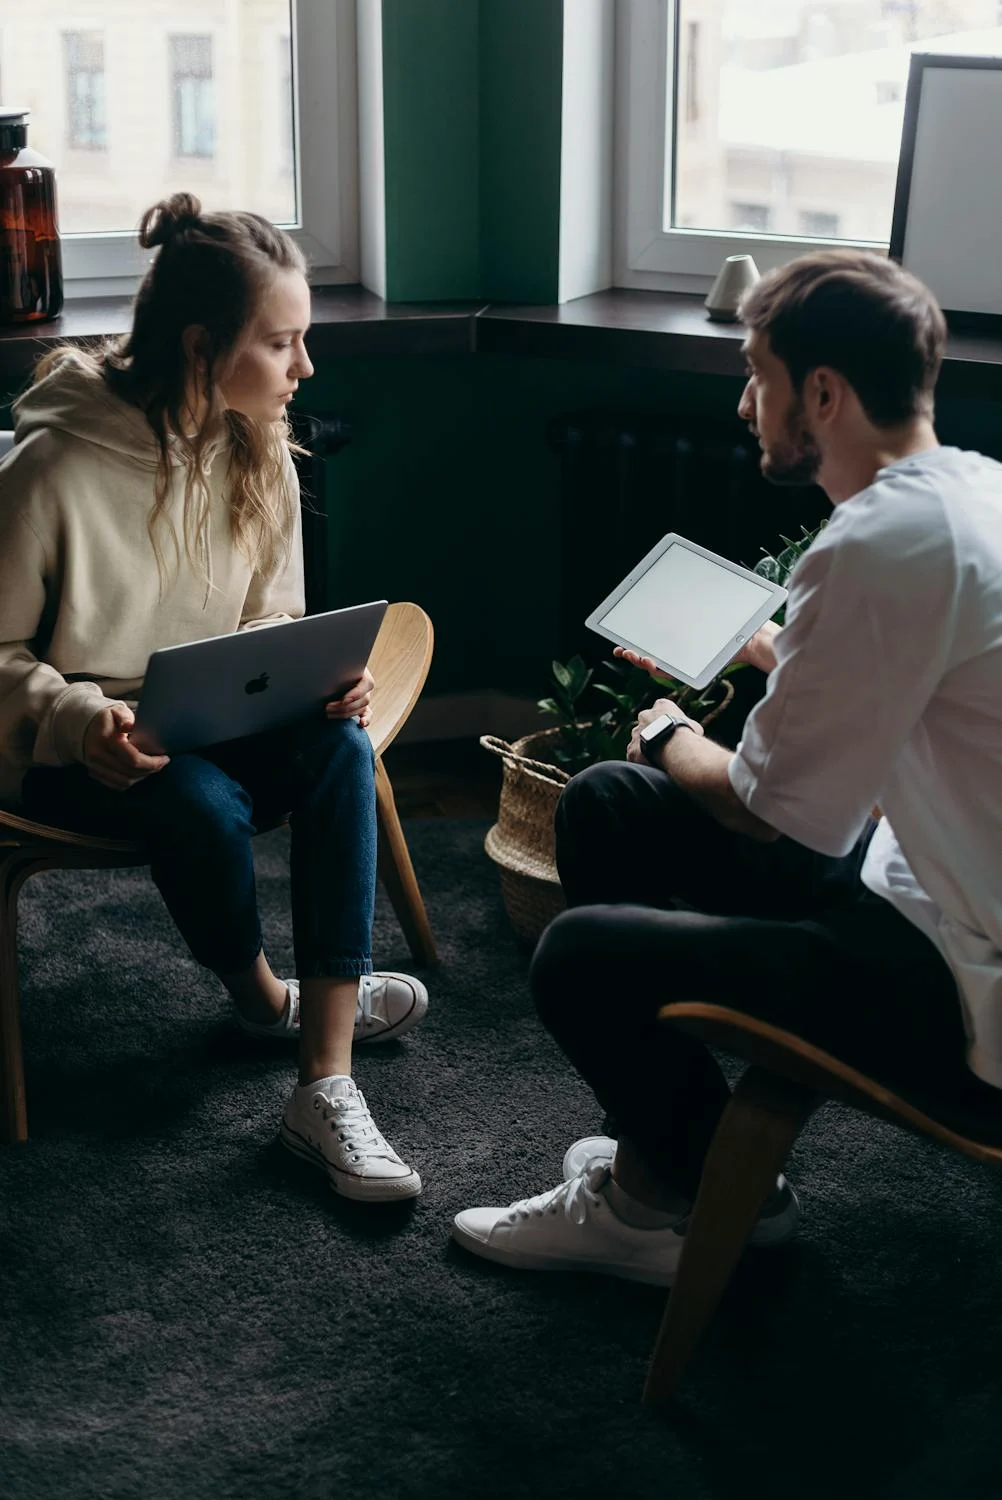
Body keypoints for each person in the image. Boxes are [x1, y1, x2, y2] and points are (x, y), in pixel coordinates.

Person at [453, 249, 1002, 1283]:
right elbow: (900, 680)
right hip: (921, 884)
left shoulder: (876, 545)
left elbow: (764, 812)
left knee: (577, 952)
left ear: (825, 393)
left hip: (959, 983)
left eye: (758, 374)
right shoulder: (970, 496)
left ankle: (671, 1200)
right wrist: (771, 649)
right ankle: (678, 1168)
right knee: (610, 804)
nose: (748, 402)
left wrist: (669, 731)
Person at [0, 193, 427, 1203]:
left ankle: (323, 1084)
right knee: (198, 801)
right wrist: (76, 719)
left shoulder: (259, 442)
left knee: (340, 752)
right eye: (282, 344)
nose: (304, 368)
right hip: (78, 753)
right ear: (201, 347)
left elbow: (268, 626)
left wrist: (322, 684)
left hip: (214, 724)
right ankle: (262, 998)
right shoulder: (53, 464)